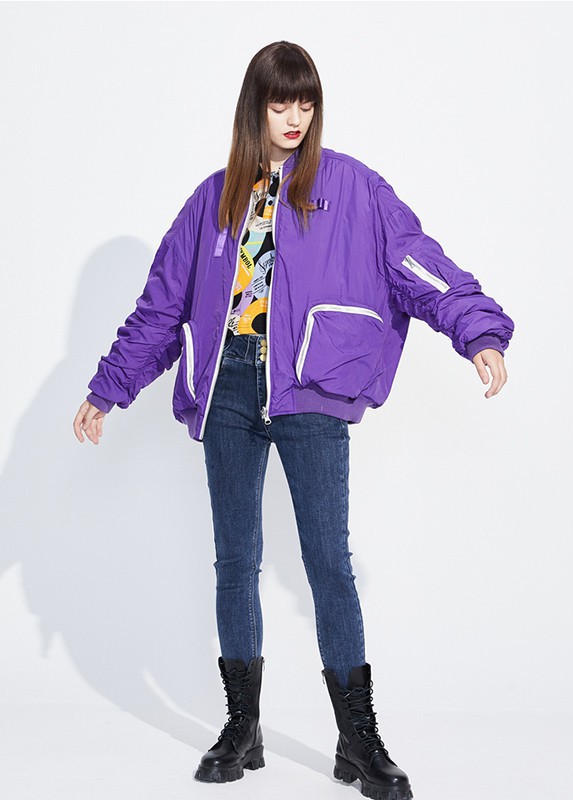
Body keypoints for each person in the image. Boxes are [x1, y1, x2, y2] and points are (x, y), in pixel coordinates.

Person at [73, 41, 513, 800]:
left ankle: (357, 739)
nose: (294, 117)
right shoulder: (213, 199)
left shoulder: (352, 187)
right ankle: (241, 726)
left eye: (306, 103)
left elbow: (417, 262)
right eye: (280, 102)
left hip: (310, 387)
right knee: (234, 561)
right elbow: (161, 306)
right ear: (255, 107)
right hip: (227, 391)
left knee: (328, 564)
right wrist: (108, 388)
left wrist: (477, 330)